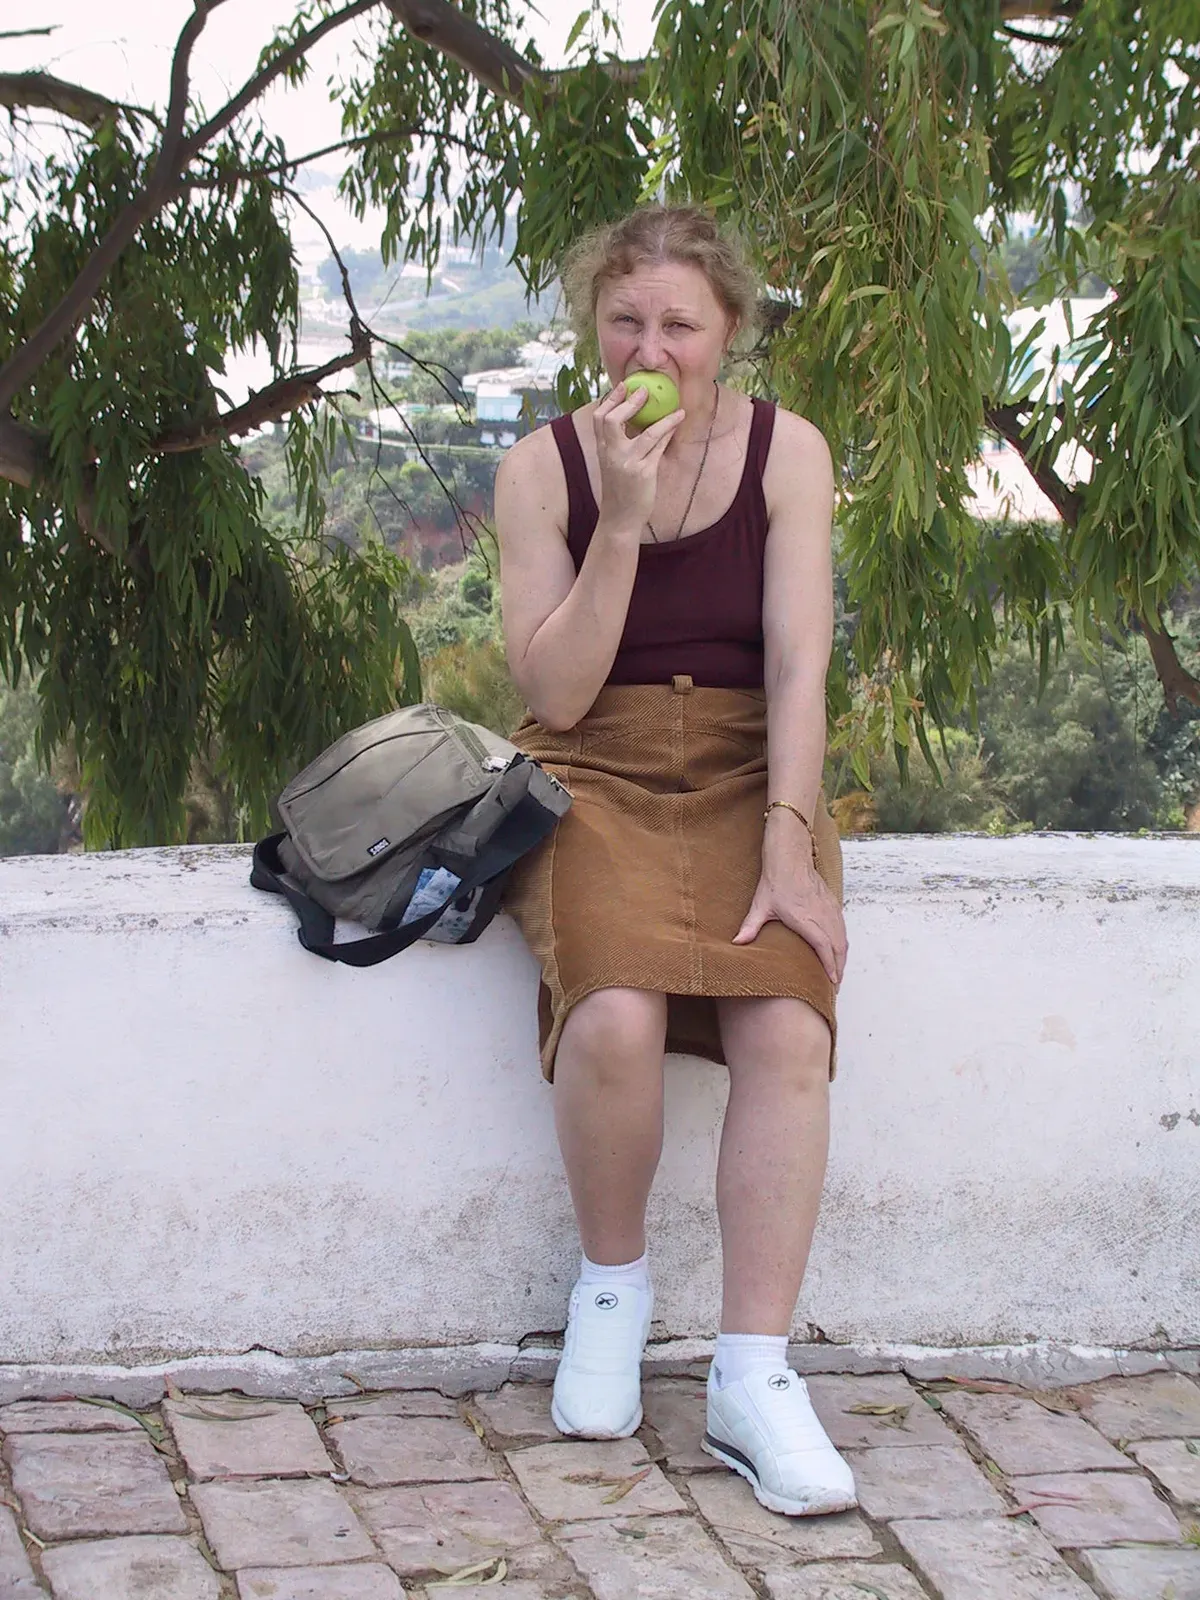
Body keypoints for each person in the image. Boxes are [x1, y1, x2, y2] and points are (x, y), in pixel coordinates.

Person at [493, 204, 854, 1517]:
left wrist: (790, 844)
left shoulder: (788, 453)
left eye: (681, 325)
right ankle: (611, 1290)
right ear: (597, 325)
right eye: (627, 319)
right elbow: (563, 693)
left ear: (731, 334)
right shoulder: (544, 472)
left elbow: (804, 663)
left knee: (785, 1030)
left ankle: (755, 1379)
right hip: (596, 766)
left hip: (758, 769)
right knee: (615, 1018)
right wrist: (625, 522)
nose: (652, 344)